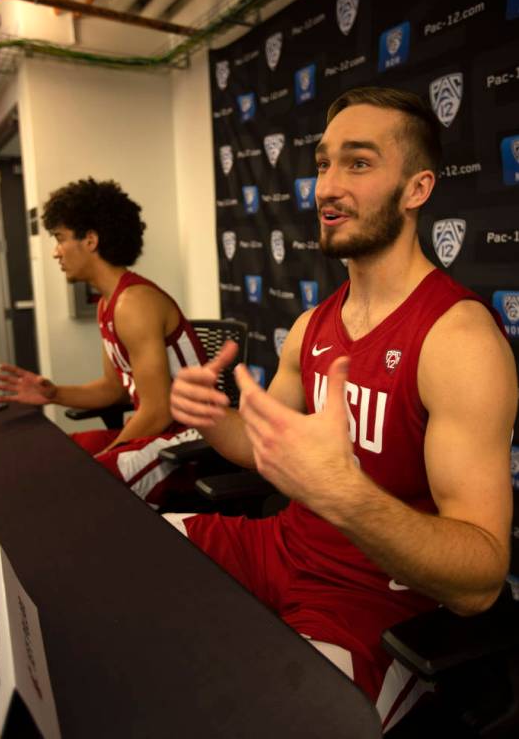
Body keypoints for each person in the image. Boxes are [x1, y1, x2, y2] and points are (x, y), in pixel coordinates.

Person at [167, 87, 517, 730]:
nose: (326, 186)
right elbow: (262, 450)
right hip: (280, 548)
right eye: (324, 163)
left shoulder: (459, 341)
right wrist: (213, 419)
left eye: (358, 163)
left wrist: (345, 494)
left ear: (416, 189)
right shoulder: (312, 325)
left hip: (375, 605)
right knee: (127, 555)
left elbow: (481, 580)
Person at [0, 178, 206, 507]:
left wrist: (107, 452)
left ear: (90, 240)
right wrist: (54, 393)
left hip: (191, 443)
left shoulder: (134, 302)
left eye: (60, 239)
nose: (55, 252)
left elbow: (158, 411)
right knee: (48, 456)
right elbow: (114, 388)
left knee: (76, 484)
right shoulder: (108, 303)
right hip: (159, 434)